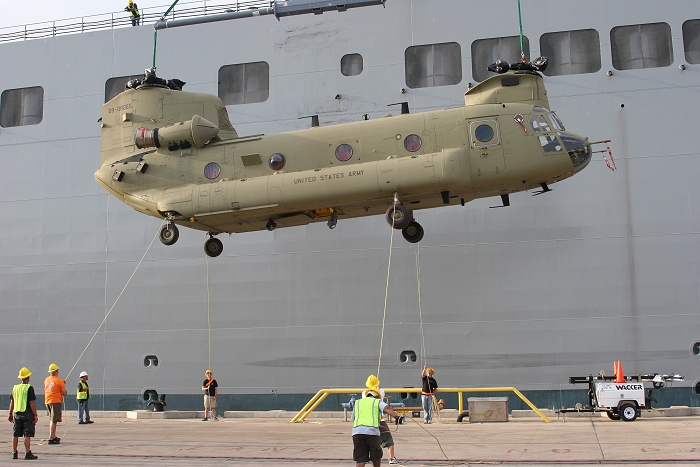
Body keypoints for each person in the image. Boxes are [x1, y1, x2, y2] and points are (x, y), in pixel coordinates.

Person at [352, 385, 398, 467]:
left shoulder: (358, 402)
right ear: (377, 396)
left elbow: (353, 418)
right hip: (372, 432)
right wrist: (397, 417)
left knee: (360, 459)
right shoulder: (377, 401)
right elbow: (387, 408)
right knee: (376, 457)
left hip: (357, 433)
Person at [363, 376, 399, 465]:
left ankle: (367, 458)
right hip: (380, 420)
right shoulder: (381, 392)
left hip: (368, 421)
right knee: (388, 440)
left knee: (369, 441)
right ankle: (391, 458)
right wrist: (397, 417)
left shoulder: (364, 393)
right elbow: (384, 402)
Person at [9, 367, 39, 460]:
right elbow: (32, 402)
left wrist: (10, 413)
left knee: (15, 434)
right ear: (28, 377)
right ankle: (27, 452)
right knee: (27, 434)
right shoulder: (29, 388)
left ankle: (14, 452)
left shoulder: (15, 388)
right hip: (27, 414)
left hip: (17, 414)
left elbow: (12, 402)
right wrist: (35, 414)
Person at [44, 363, 67, 444]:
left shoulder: (46, 380)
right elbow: (64, 393)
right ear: (56, 371)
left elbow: (52, 386)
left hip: (48, 401)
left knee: (53, 419)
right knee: (54, 420)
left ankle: (53, 435)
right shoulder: (59, 381)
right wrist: (63, 385)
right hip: (56, 401)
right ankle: (51, 437)